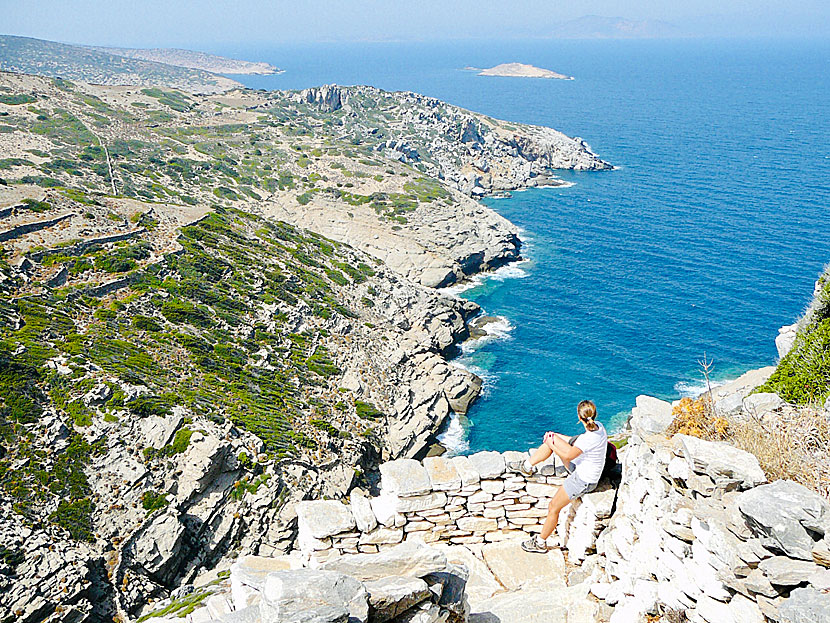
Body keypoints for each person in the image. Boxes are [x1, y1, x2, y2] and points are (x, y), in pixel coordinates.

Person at [506, 400, 608, 553]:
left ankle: (540, 543)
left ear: (579, 418)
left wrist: (553, 443)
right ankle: (527, 466)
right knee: (550, 441)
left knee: (553, 507)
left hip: (583, 480)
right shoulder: (599, 427)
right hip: (583, 468)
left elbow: (567, 455)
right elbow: (573, 442)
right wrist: (553, 437)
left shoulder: (587, 439)